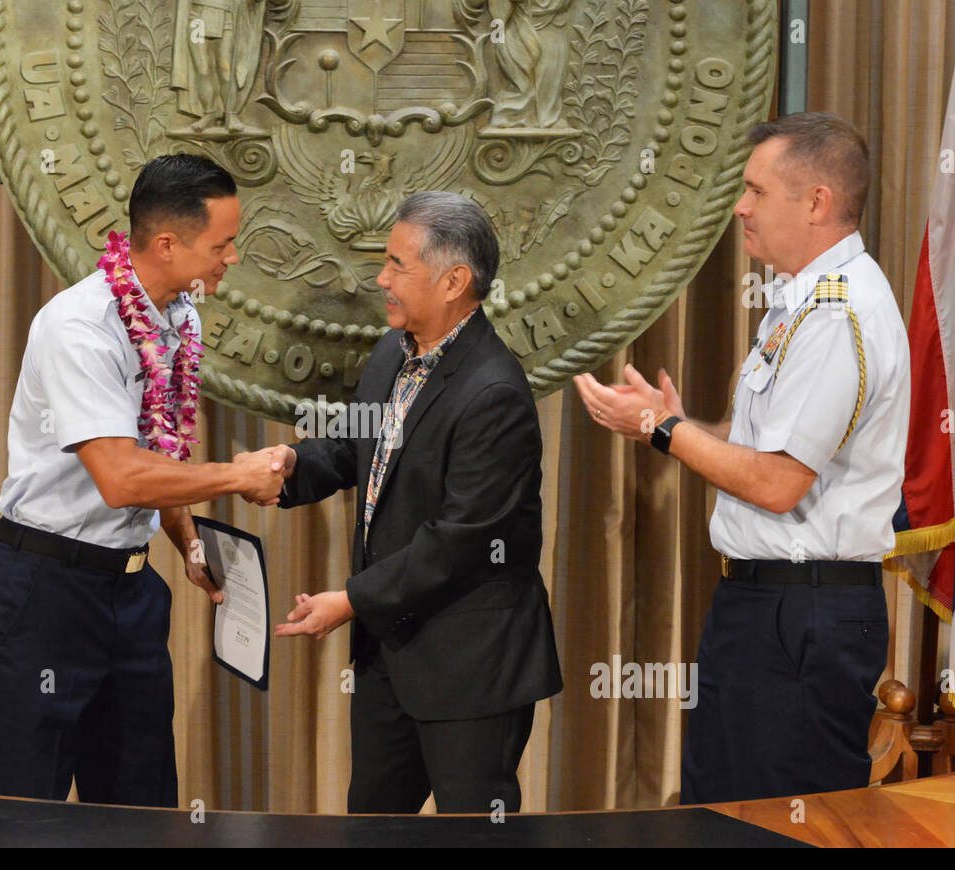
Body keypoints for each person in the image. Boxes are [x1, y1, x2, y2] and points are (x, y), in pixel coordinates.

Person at [574, 112, 910, 803]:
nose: (740, 206)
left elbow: (779, 483)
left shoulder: (839, 314)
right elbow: (758, 443)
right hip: (764, 607)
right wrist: (672, 424)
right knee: (721, 812)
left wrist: (664, 430)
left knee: (778, 822)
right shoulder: (797, 304)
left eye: (756, 191)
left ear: (816, 202)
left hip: (803, 617)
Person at [0, 154, 286, 807]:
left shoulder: (179, 317)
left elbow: (159, 451)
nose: (231, 258)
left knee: (139, 801)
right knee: (26, 804)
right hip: (47, 595)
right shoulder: (79, 326)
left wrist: (190, 546)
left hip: (132, 594)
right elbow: (120, 477)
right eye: (222, 244)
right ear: (168, 244)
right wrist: (236, 475)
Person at [263, 191, 563, 815]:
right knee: (372, 827)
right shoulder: (391, 353)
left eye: (398, 264)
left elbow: (459, 539)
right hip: (389, 659)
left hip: (470, 669)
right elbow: (353, 448)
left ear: (455, 281)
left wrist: (349, 600)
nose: (381, 279)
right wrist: (289, 468)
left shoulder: (493, 392)